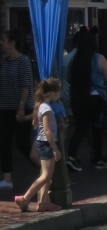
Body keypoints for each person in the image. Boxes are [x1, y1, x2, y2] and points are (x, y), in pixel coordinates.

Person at [66, 28, 107, 171]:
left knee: (80, 128)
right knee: (97, 129)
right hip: (95, 98)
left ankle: (71, 157)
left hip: (78, 97)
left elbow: (69, 78)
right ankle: (97, 158)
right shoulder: (99, 58)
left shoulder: (75, 59)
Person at [15, 79, 63, 213]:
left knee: (47, 174)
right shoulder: (47, 108)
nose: (59, 94)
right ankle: (25, 198)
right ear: (53, 93)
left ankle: (43, 202)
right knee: (46, 175)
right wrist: (55, 148)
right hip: (46, 143)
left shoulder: (41, 105)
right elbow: (47, 130)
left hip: (43, 142)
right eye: (59, 91)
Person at [0, 29, 35, 190]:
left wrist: (21, 108)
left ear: (12, 43)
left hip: (22, 108)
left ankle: (45, 168)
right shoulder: (4, 62)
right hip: (5, 108)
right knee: (4, 142)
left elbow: (26, 86)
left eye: (3, 40)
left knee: (22, 143)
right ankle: (7, 179)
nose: (1, 43)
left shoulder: (23, 61)